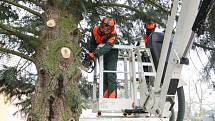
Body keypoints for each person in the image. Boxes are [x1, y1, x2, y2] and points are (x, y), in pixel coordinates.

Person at [87, 17, 118, 98]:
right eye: (103, 25)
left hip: (111, 53)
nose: (104, 28)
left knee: (111, 74)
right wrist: (90, 53)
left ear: (111, 28)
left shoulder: (113, 34)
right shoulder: (95, 29)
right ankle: (104, 96)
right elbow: (93, 42)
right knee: (103, 74)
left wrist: (95, 54)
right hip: (100, 52)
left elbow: (108, 46)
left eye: (107, 27)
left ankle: (112, 98)